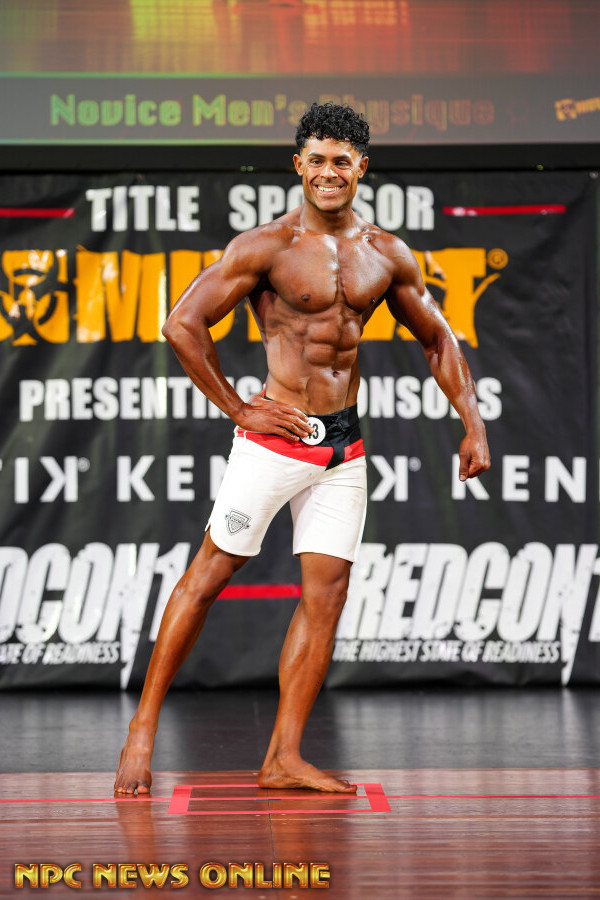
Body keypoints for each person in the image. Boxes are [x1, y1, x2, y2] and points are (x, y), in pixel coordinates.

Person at [114, 102, 490, 796]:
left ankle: (283, 756)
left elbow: (438, 337)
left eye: (341, 161)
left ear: (361, 167)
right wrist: (238, 406)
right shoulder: (268, 247)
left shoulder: (387, 254)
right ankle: (142, 729)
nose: (328, 172)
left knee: (326, 596)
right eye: (317, 160)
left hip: (344, 449)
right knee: (208, 577)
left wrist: (473, 423)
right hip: (274, 441)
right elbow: (182, 324)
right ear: (298, 165)